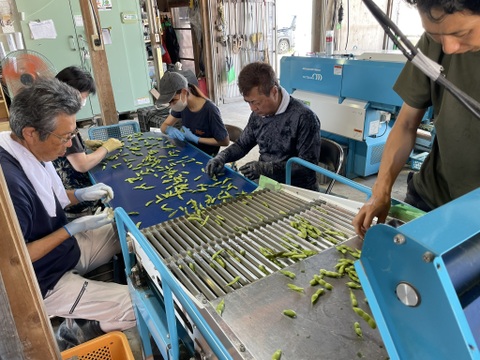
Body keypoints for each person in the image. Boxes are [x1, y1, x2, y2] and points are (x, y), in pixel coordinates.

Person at [0, 78, 135, 349]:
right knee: (137, 306)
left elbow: (49, 197)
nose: (69, 145)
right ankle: (79, 328)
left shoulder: (21, 146)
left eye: (72, 134)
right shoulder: (9, 184)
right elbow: (16, 258)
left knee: (126, 228)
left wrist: (81, 194)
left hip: (64, 251)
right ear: (30, 133)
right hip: (45, 278)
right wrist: (70, 229)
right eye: (64, 137)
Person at [353, 0, 480, 238]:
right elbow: (406, 123)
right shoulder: (439, 38)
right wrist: (381, 191)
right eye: (435, 35)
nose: (449, 47)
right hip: (430, 200)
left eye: (461, 33)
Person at [205, 62, 321, 190]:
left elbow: (307, 167)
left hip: (297, 188)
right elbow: (242, 145)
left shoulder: (304, 117)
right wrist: (222, 157)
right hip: (266, 182)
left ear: (274, 91)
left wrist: (266, 168)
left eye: (256, 102)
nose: (252, 108)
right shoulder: (258, 115)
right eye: (248, 102)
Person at [53, 66, 123, 217]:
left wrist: (83, 143)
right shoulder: (61, 118)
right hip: (76, 198)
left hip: (66, 193)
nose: (83, 100)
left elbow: (68, 147)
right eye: (82, 96)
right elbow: (82, 165)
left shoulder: (57, 112)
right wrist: (105, 148)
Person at [158, 71, 230, 156]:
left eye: (173, 100)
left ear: (184, 92)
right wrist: (169, 129)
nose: (171, 105)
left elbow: (225, 141)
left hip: (206, 155)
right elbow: (164, 126)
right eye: (169, 102)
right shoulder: (182, 106)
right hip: (189, 149)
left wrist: (196, 139)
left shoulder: (210, 110)